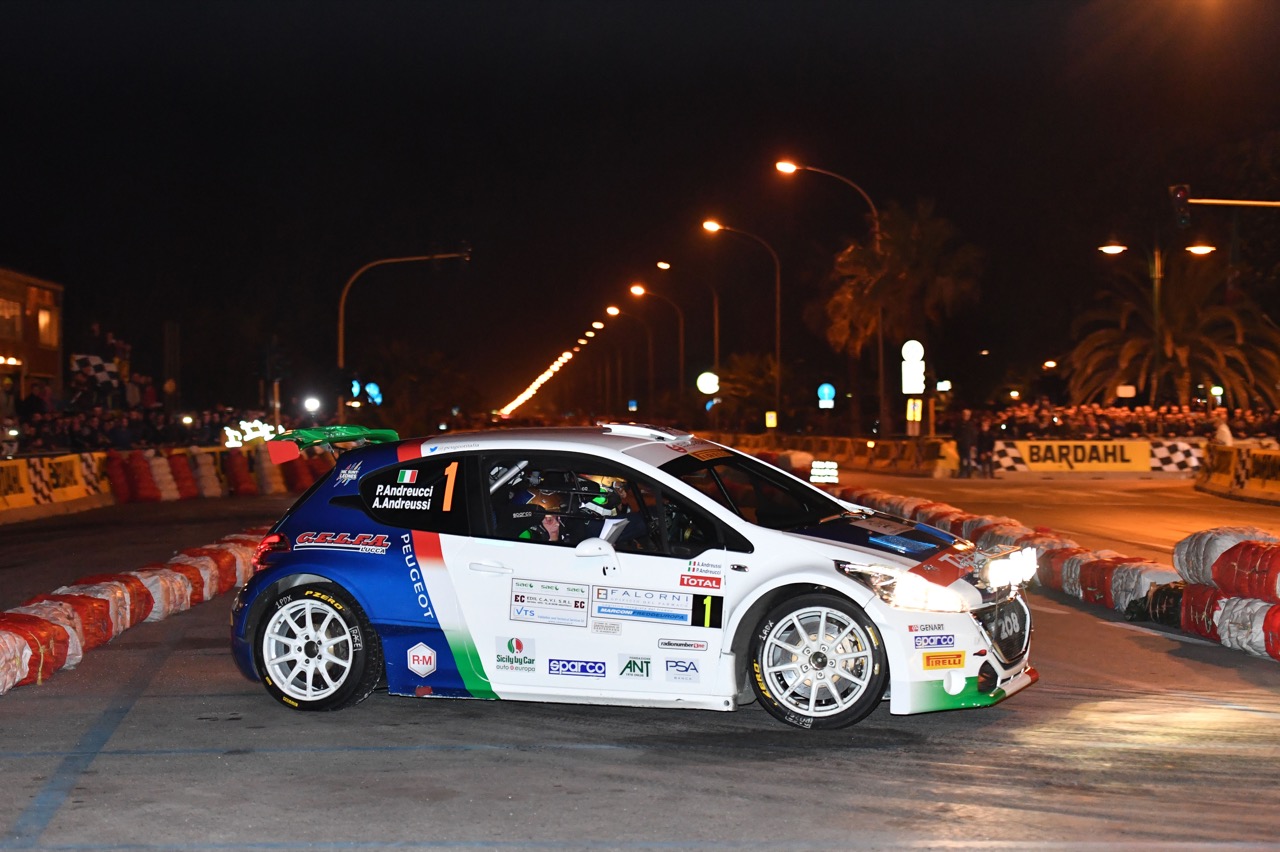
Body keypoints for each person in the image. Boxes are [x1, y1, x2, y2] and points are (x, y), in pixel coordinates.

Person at [954, 408, 978, 478]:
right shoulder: (959, 424)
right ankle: (962, 472)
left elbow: (974, 435)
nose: (966, 416)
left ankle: (969, 473)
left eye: (967, 415)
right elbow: (955, 433)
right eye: (965, 415)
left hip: (968, 444)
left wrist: (973, 444)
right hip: (960, 444)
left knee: (968, 459)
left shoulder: (971, 424)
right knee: (961, 459)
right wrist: (957, 440)